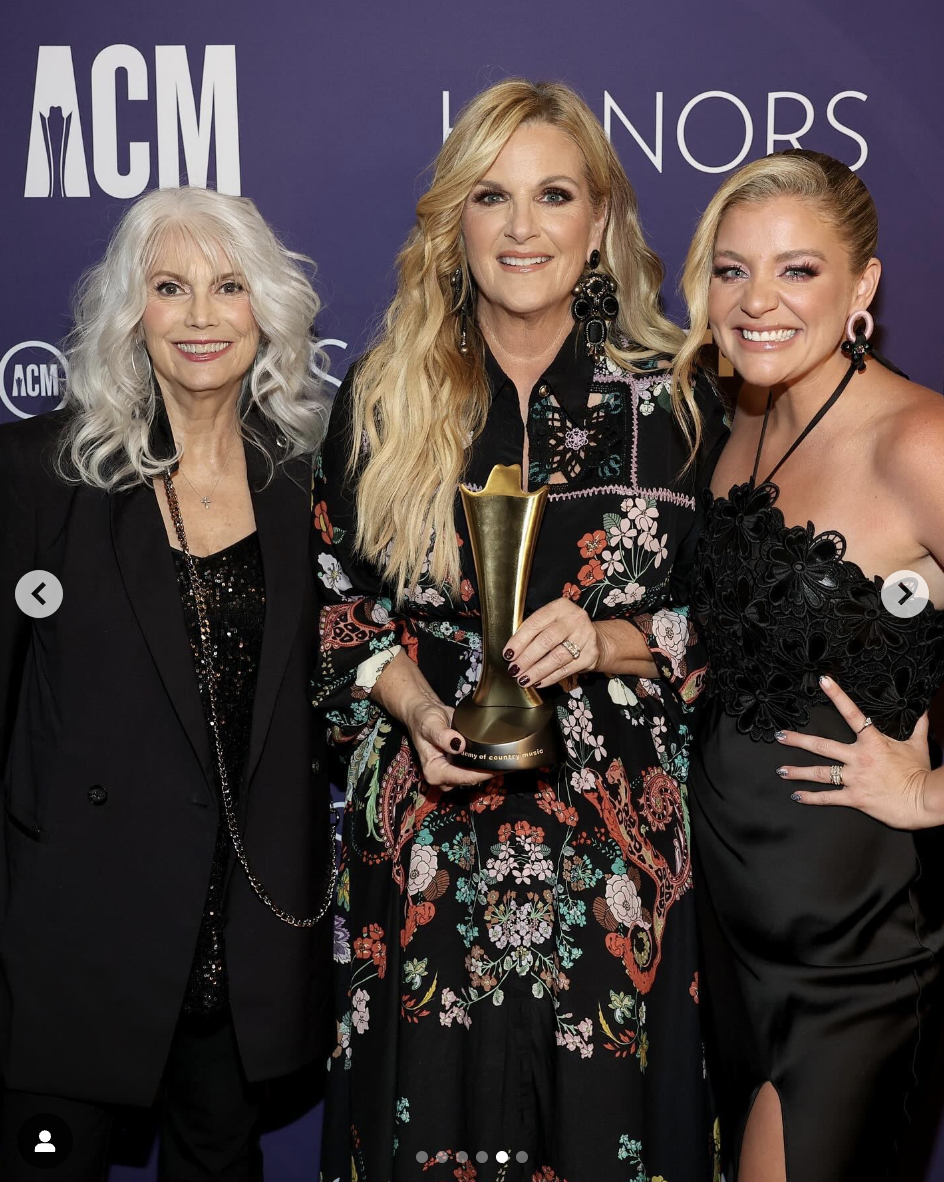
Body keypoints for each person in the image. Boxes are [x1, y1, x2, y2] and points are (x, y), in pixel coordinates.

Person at [312, 79, 727, 1182]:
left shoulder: (680, 402)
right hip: (428, 849)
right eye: (490, 197)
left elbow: (735, 618)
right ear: (456, 223)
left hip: (620, 857)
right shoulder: (385, 397)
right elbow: (333, 603)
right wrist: (412, 711)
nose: (522, 227)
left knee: (610, 1136)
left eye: (552, 195)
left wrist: (609, 642)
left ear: (599, 221)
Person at [0, 186, 335, 1181]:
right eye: (169, 288)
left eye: (228, 288)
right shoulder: (42, 473)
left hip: (238, 967)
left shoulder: (309, 485)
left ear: (265, 310)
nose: (199, 318)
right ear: (128, 311)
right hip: (77, 955)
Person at [673, 149, 944, 1181]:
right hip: (731, 929)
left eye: (796, 270)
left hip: (852, 946)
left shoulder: (913, 440)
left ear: (861, 284)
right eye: (731, 269)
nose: (756, 302)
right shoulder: (738, 415)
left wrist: (925, 792)